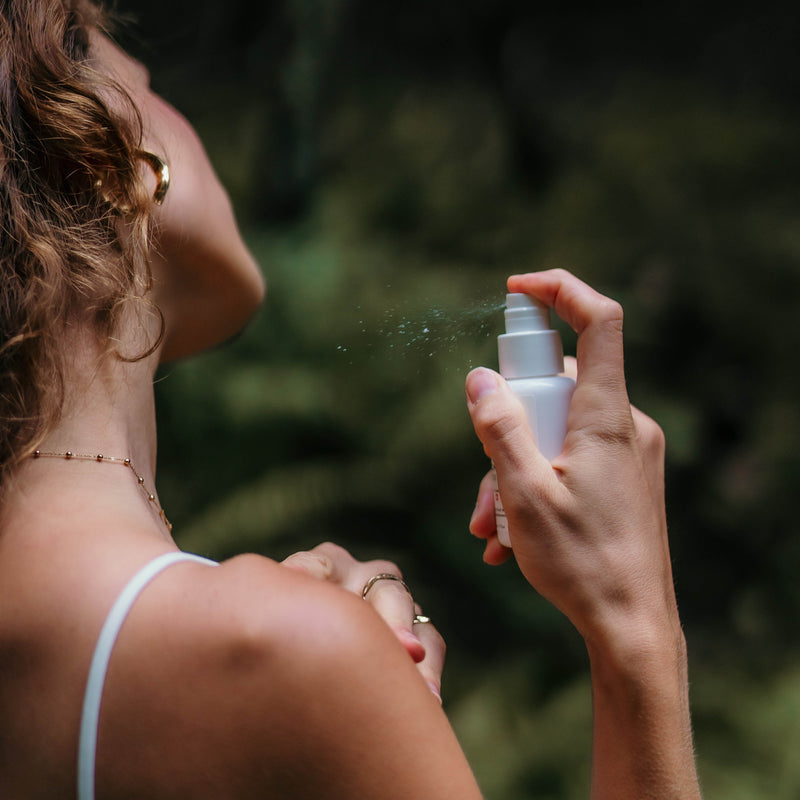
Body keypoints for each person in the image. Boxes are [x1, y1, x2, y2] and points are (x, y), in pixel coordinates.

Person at [0, 1, 702, 798]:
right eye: (104, 47)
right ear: (96, 144)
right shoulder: (275, 653)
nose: (156, 77)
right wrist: (636, 632)